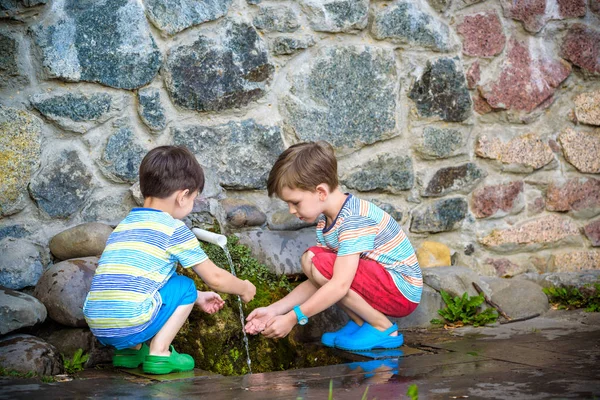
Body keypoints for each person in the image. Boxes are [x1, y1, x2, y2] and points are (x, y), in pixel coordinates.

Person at [83, 146, 256, 374]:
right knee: (185, 285)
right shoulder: (173, 229)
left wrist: (198, 298)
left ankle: (130, 353)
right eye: (194, 198)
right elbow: (214, 277)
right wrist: (243, 287)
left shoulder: (125, 225)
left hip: (99, 325)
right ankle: (160, 353)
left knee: (168, 286)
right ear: (183, 196)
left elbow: (146, 281)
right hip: (132, 322)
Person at [244, 141, 421, 351]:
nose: (291, 210)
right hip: (384, 285)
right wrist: (275, 310)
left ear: (320, 192)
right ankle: (361, 323)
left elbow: (338, 285)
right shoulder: (327, 221)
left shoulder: (353, 219)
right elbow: (319, 280)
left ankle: (382, 327)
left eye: (295, 202)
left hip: (401, 290)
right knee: (312, 260)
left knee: (316, 261)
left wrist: (293, 318)